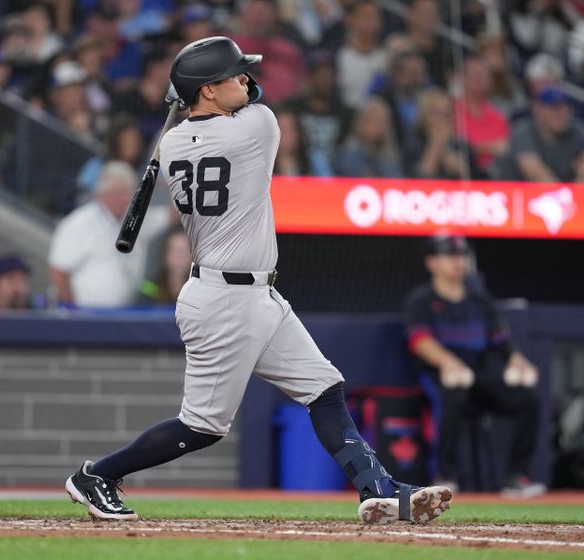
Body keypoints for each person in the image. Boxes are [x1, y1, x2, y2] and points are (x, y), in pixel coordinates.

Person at [64, 36, 453, 525]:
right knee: (203, 426)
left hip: (251, 292)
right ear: (207, 90)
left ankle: (376, 488)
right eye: (234, 74)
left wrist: (186, 97)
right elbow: (260, 100)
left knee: (323, 387)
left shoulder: (175, 142)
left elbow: (229, 105)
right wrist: (195, 93)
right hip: (224, 298)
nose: (246, 79)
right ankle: (97, 474)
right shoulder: (256, 128)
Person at [403, 234, 545, 497]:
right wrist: (448, 362)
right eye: (450, 256)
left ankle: (515, 477)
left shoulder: (480, 301)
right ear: (431, 262)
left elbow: (502, 342)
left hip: (479, 377)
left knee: (528, 399)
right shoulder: (421, 300)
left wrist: (517, 359)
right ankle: (446, 475)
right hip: (440, 378)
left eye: (461, 256)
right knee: (453, 396)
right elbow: (419, 341)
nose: (458, 262)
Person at [48, 161, 169, 308]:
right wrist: (72, 310)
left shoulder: (137, 219)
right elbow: (58, 271)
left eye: (129, 192)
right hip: (85, 316)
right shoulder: (78, 223)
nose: (125, 199)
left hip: (123, 315)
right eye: (119, 193)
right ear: (101, 194)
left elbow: (173, 215)